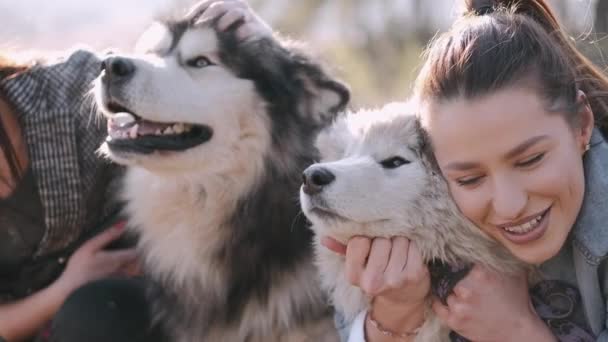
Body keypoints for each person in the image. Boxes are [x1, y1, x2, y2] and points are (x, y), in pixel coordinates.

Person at [324, 0, 608, 341]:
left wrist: (517, 331)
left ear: (582, 125)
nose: (508, 204)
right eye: (469, 179)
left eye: (530, 160)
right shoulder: (419, 219)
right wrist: (394, 317)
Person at [0, 1, 268, 341]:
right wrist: (66, 287)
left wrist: (255, 49)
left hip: (162, 304)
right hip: (47, 324)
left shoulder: (67, 92)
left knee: (94, 312)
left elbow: (174, 92)